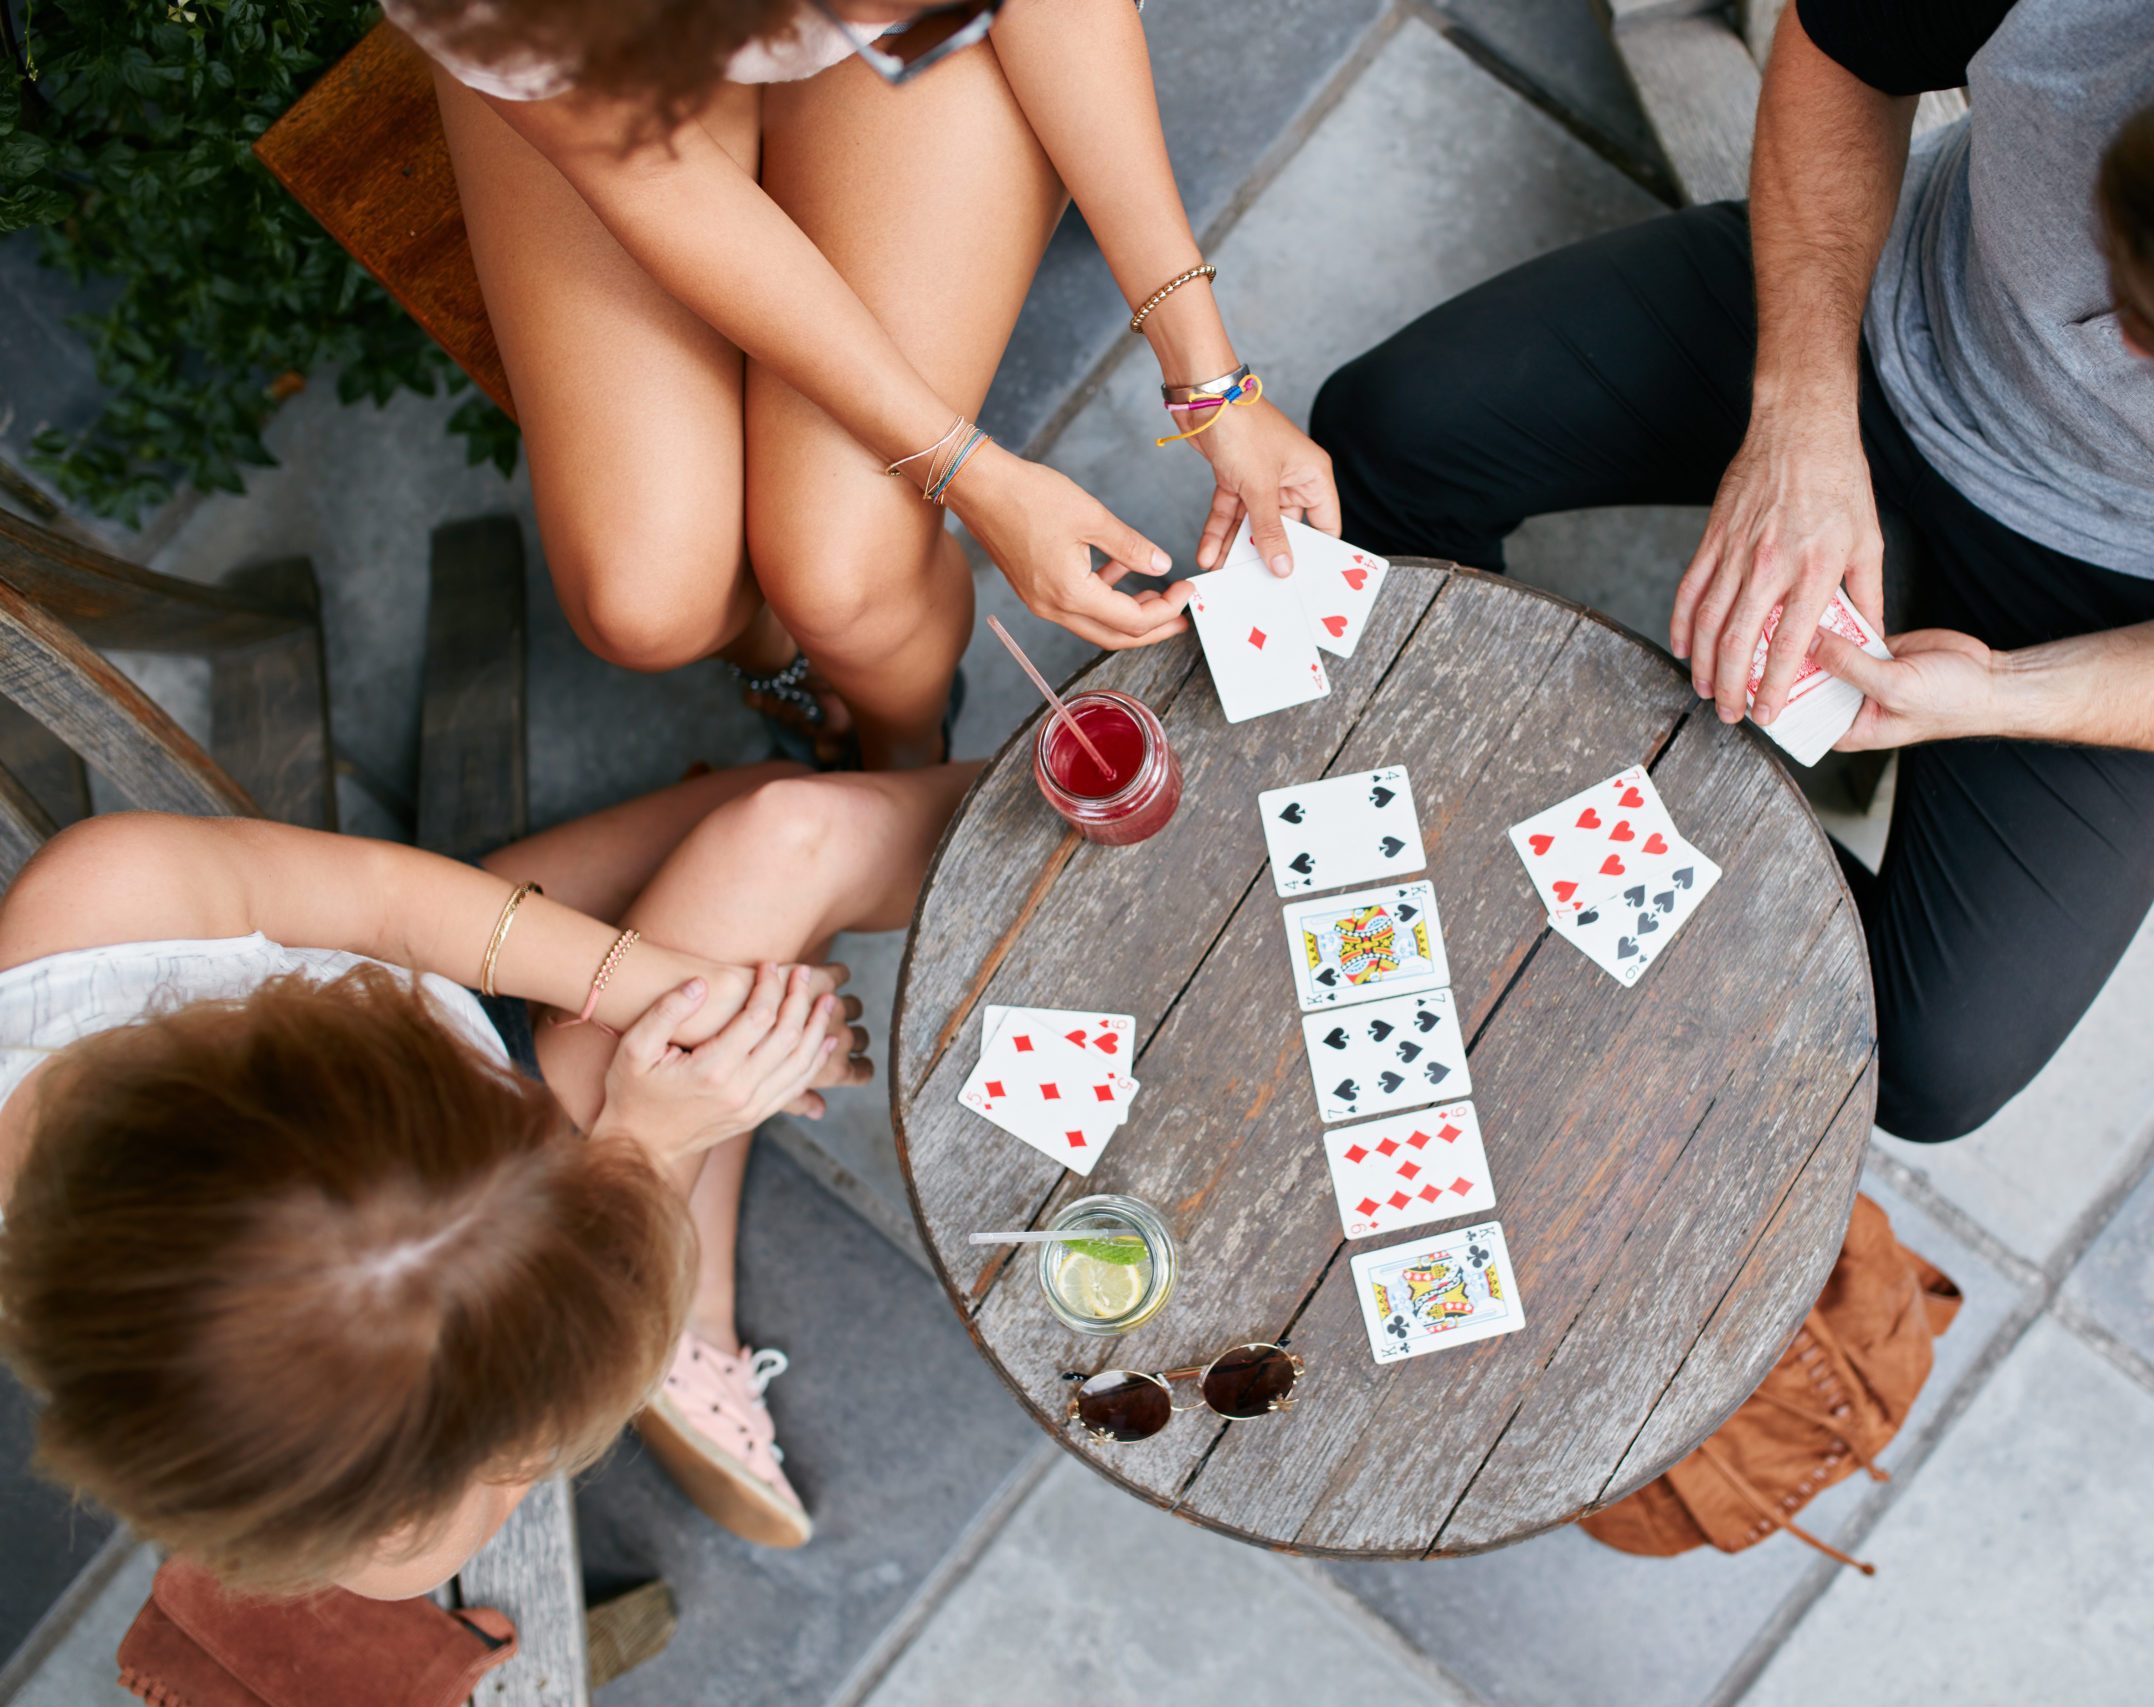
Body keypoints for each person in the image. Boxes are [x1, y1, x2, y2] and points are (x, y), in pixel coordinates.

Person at [1311, 0, 2154, 1143]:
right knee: (1388, 431)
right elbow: (1843, 45)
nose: (2115, 341)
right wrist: (1799, 411)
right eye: (2132, 240)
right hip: (1873, 309)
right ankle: (1461, 798)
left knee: (1927, 1062)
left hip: (2144, 573)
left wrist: (2016, 695)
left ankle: (1576, 858)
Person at [0, 758, 972, 1594]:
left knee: (781, 801)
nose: (524, 1098)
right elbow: (527, 1436)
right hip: (606, 1149)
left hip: (431, 963)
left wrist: (678, 999)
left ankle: (684, 1296)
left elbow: (385, 904)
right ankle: (672, 1300)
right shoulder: (380, 1523)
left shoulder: (104, 912)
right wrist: (647, 1146)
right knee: (791, 833)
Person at [390, 0, 1339, 767]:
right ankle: (780, 674)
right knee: (644, 603)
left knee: (844, 578)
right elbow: (662, 186)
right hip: (601, 67)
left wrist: (1214, 388)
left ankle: (899, 767)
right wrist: (974, 473)